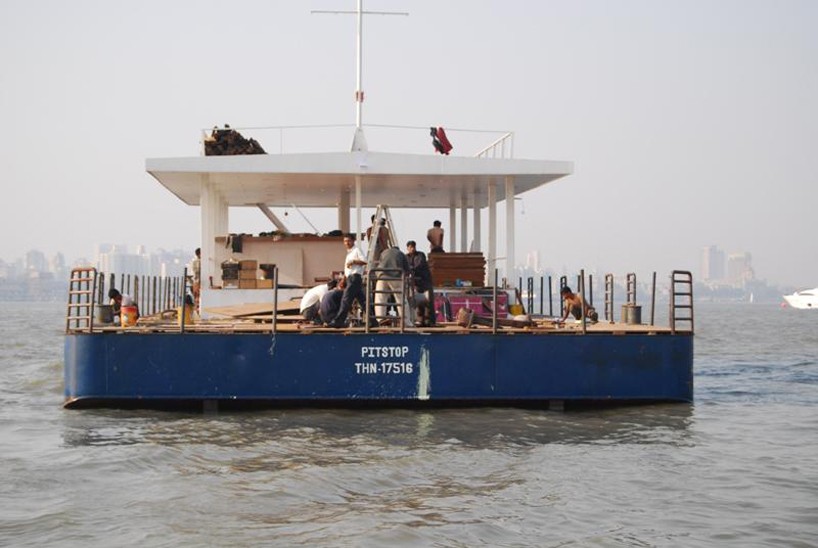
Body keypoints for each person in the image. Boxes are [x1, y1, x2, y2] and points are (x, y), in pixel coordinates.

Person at [328, 234, 374, 328]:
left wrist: (354, 261)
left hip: (355, 277)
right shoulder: (349, 253)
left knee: (346, 299)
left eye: (349, 241)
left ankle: (338, 321)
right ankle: (373, 320)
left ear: (353, 241)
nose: (347, 243)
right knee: (363, 301)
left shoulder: (357, 250)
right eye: (345, 241)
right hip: (350, 278)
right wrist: (343, 280)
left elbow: (365, 261)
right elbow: (347, 270)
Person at [375, 246, 409, 323]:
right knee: (400, 299)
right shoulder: (401, 254)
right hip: (395, 276)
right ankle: (406, 321)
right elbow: (407, 270)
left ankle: (380, 319)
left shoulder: (384, 252)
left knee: (380, 298)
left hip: (381, 275)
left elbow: (380, 262)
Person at [406, 240, 435, 326]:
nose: (412, 249)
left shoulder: (420, 255)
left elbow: (419, 265)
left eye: (413, 247)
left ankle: (430, 321)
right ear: (407, 248)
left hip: (425, 281)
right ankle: (421, 320)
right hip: (416, 283)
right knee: (420, 303)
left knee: (429, 302)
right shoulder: (406, 257)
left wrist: (411, 270)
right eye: (410, 247)